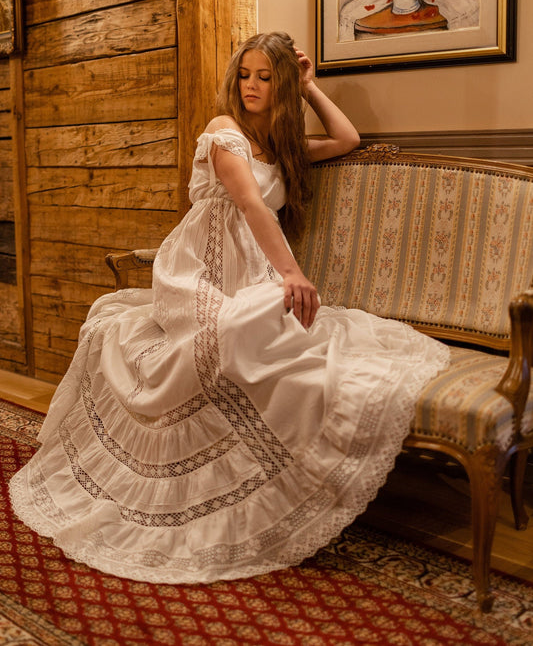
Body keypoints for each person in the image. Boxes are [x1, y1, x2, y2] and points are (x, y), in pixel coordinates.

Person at [9, 32, 449, 584]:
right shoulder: (224, 132)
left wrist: (310, 88)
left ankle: (278, 472)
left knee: (274, 334)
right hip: (194, 270)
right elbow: (246, 202)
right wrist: (292, 272)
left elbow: (347, 137)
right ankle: (183, 476)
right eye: (245, 74)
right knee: (230, 333)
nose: (251, 87)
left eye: (266, 77)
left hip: (252, 271)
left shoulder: (284, 147)